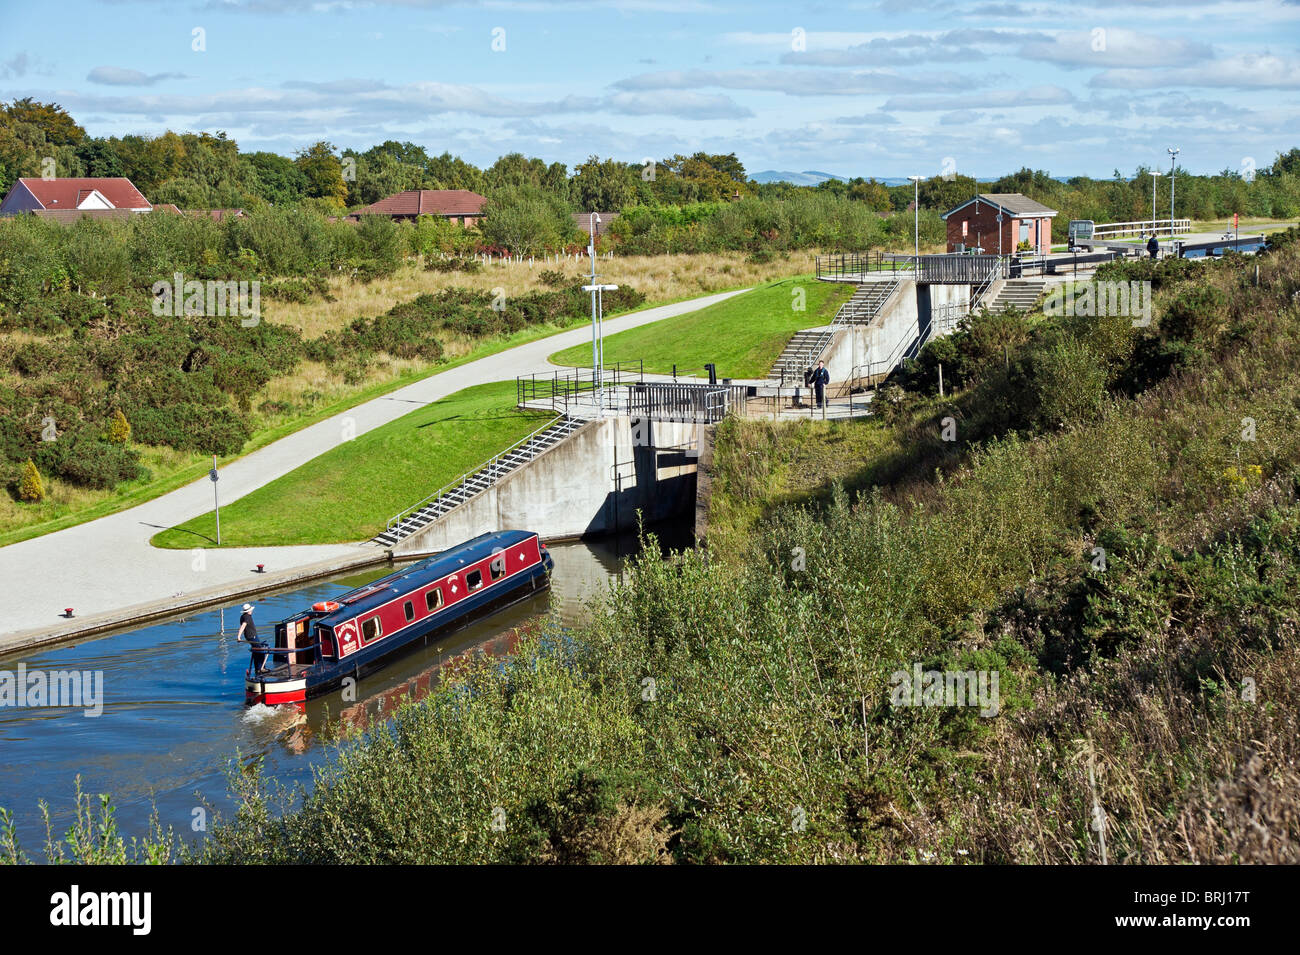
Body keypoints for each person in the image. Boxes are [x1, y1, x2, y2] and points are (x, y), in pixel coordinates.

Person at [237, 603, 269, 674]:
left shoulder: (242, 616)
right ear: (248, 611)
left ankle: (258, 668)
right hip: (252, 636)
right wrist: (239, 636)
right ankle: (261, 668)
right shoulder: (247, 617)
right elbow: (243, 626)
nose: (252, 611)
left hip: (249, 636)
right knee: (261, 651)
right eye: (251, 610)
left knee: (256, 651)